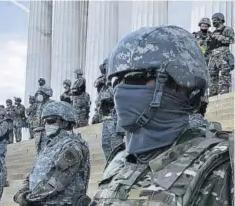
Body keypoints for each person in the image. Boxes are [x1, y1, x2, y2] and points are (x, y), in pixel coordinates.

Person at [89, 25, 233, 205]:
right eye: (117, 81)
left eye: (136, 77)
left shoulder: (223, 167)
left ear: (182, 84)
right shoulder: (119, 161)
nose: (120, 90)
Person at [14, 101, 91, 205]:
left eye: (50, 121)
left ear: (65, 122)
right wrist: (21, 192)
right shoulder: (49, 146)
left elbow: (57, 183)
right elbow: (33, 174)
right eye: (45, 122)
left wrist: (28, 198)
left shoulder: (74, 147)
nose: (46, 125)